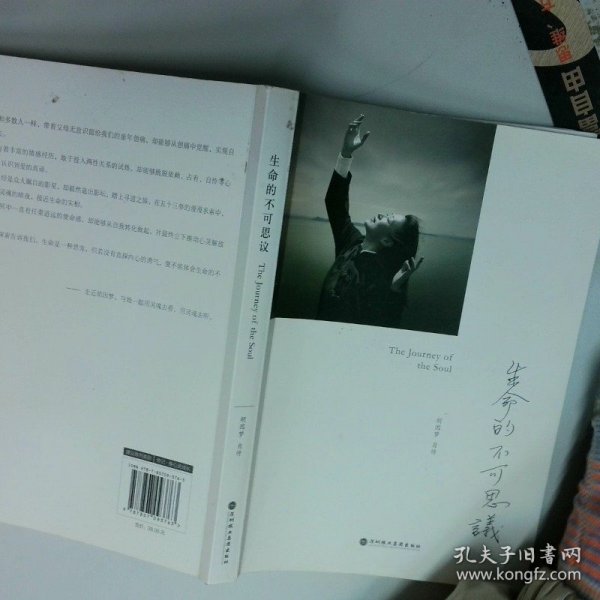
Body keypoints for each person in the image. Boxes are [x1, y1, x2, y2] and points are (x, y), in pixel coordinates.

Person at [317, 114, 422, 328]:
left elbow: (382, 327)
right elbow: (335, 203)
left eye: (388, 220)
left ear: (387, 241)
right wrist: (346, 153)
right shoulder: (351, 243)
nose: (382, 214)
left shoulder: (382, 280)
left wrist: (394, 290)